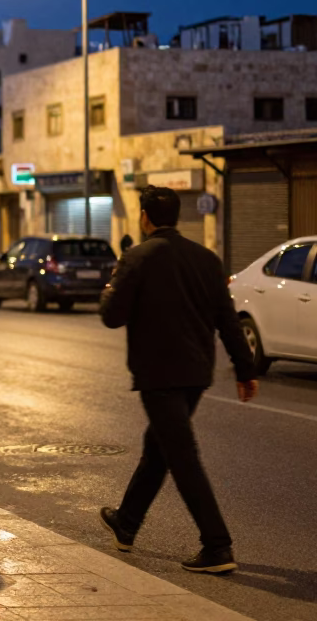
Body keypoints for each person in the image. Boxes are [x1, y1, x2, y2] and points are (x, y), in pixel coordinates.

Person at [98, 186, 258, 574]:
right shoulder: (206, 259)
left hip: (159, 374)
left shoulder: (136, 258)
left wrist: (110, 288)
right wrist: (244, 369)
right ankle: (127, 522)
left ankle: (217, 546)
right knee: (160, 446)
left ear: (145, 217)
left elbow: (112, 316)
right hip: (195, 373)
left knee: (182, 456)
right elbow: (227, 319)